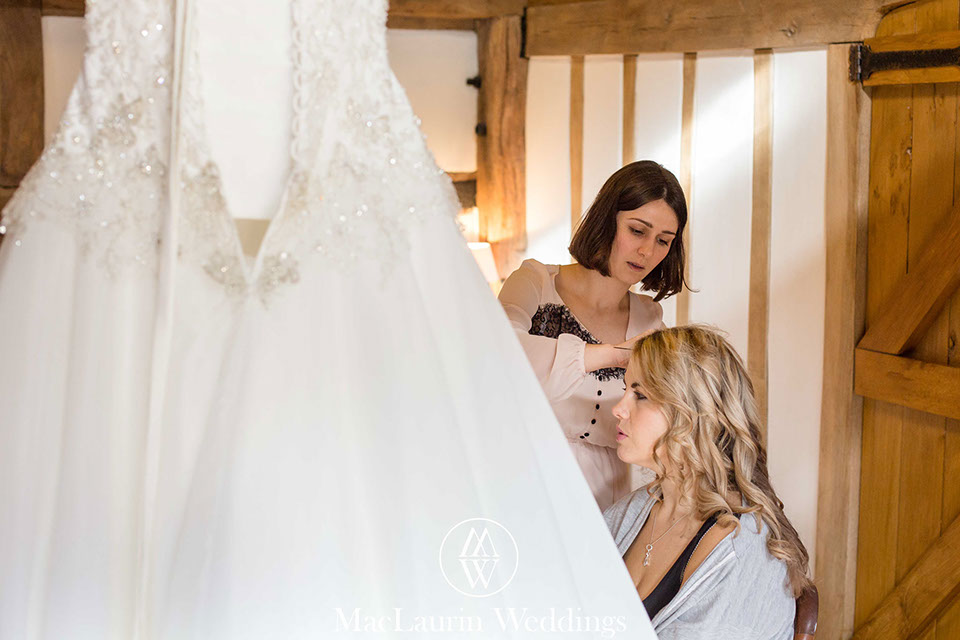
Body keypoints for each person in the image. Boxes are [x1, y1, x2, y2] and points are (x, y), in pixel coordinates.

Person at [498, 161, 688, 511]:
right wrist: (617, 353)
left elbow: (670, 422)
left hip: (603, 500)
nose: (648, 252)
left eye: (663, 241)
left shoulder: (650, 319)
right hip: (517, 480)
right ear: (607, 219)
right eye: (637, 231)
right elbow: (498, 356)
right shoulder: (535, 283)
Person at [604, 325, 812, 639]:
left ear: (694, 415)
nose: (618, 409)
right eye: (625, 390)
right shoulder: (634, 509)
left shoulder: (742, 551)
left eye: (641, 395)